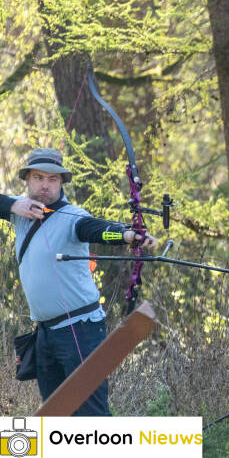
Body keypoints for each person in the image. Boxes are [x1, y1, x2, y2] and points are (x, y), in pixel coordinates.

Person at [0, 148, 157, 416]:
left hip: (79, 330)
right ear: (27, 179)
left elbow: (95, 229)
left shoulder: (73, 216)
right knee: (55, 415)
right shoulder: (20, 212)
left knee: (90, 415)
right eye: (38, 177)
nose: (45, 185)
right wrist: (13, 204)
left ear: (61, 183)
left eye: (53, 179)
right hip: (45, 333)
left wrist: (129, 235)